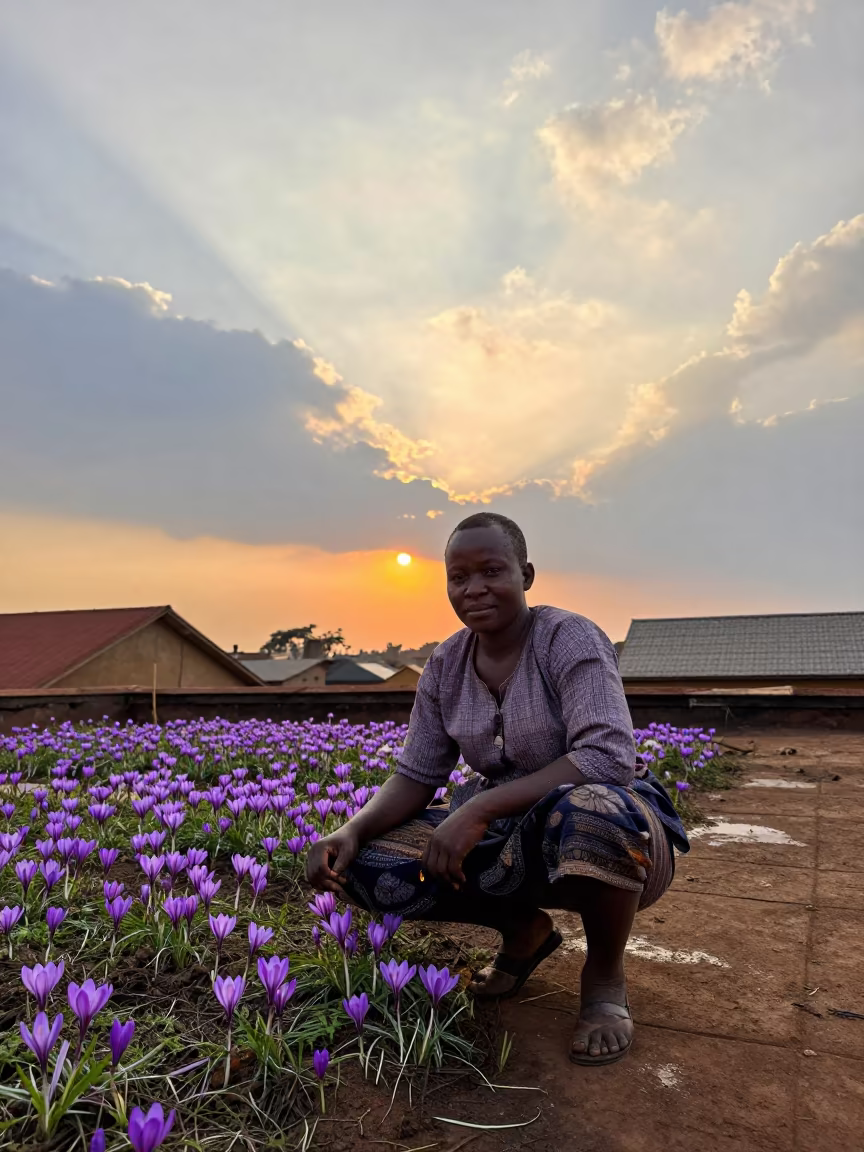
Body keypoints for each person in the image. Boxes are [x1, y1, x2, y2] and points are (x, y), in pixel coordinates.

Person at [306, 512, 689, 1065]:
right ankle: (524, 931)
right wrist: (350, 829)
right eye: (459, 577)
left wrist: (481, 806)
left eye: (492, 570)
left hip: (617, 824)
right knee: (369, 863)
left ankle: (604, 977)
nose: (474, 588)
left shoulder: (568, 637)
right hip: (508, 828)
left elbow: (606, 759)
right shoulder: (446, 662)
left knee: (590, 811)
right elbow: (418, 772)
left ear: (526, 574)